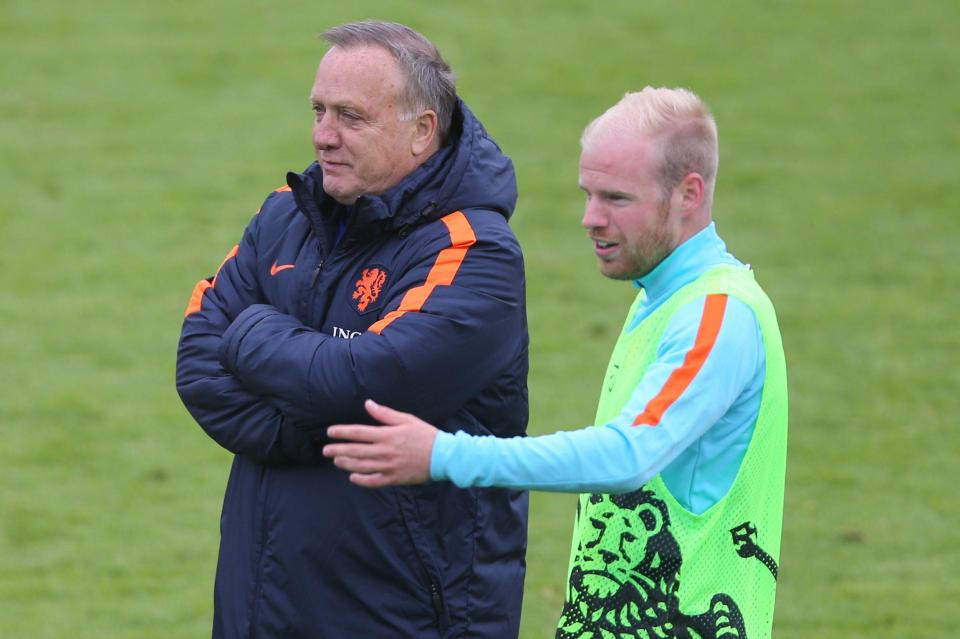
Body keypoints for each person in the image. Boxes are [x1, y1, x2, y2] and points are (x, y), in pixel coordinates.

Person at [324, 87, 789, 639]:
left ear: (689, 193)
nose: (590, 219)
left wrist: (444, 454)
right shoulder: (660, 296)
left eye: (616, 199)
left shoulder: (717, 315)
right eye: (587, 194)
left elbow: (628, 454)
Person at [175, 20, 530, 639]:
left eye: (351, 116)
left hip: (403, 614)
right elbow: (199, 366)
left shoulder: (474, 252)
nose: (323, 136)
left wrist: (256, 333)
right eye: (318, 110)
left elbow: (368, 379)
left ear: (422, 131)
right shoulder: (283, 215)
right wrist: (309, 417)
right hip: (260, 604)